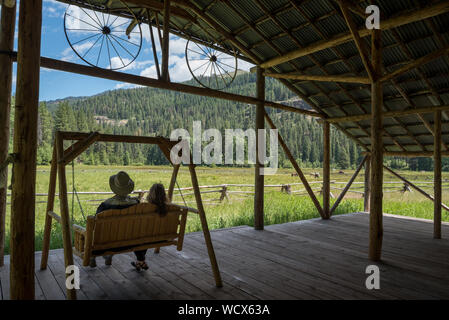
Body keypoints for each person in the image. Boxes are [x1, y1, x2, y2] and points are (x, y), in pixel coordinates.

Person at [90, 171, 139, 267]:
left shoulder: (105, 205)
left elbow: (96, 223)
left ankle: (93, 256)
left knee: (95, 233)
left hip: (108, 242)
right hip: (130, 242)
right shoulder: (136, 204)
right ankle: (108, 256)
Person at [131, 183, 168, 271]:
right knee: (147, 237)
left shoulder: (145, 208)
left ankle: (140, 261)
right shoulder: (169, 208)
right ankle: (140, 262)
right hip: (162, 237)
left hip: (148, 237)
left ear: (151, 194)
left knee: (140, 238)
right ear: (163, 194)